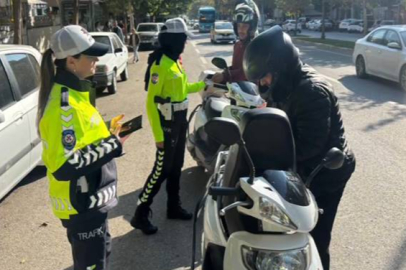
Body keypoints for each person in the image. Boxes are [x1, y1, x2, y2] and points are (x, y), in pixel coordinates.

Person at [243, 26, 356, 270]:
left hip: (328, 171)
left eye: (264, 76)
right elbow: (276, 121)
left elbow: (309, 145)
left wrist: (268, 157)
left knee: (313, 235)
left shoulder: (311, 91)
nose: (262, 83)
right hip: (303, 166)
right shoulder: (284, 85)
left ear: (281, 67)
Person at [37, 25, 130, 270]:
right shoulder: (64, 106)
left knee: (101, 256)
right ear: (71, 61)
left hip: (91, 199)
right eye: (90, 56)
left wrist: (109, 132)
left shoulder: (77, 93)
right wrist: (112, 145)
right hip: (81, 204)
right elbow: (64, 166)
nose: (96, 60)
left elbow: (83, 138)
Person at [130, 18, 208, 235]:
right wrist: (158, 135)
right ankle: (140, 213)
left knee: (176, 168)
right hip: (166, 125)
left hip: (180, 121)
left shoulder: (175, 61)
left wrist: (206, 85)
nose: (184, 43)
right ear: (174, 39)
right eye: (182, 39)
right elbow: (150, 102)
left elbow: (183, 90)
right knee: (161, 171)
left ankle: (173, 206)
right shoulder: (160, 64)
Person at [212, 0, 260, 84]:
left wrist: (226, 75)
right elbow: (236, 68)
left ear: (252, 28)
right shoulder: (238, 45)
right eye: (238, 26)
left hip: (251, 92)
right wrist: (224, 73)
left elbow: (248, 73)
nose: (240, 30)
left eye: (244, 26)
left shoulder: (255, 47)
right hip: (237, 90)